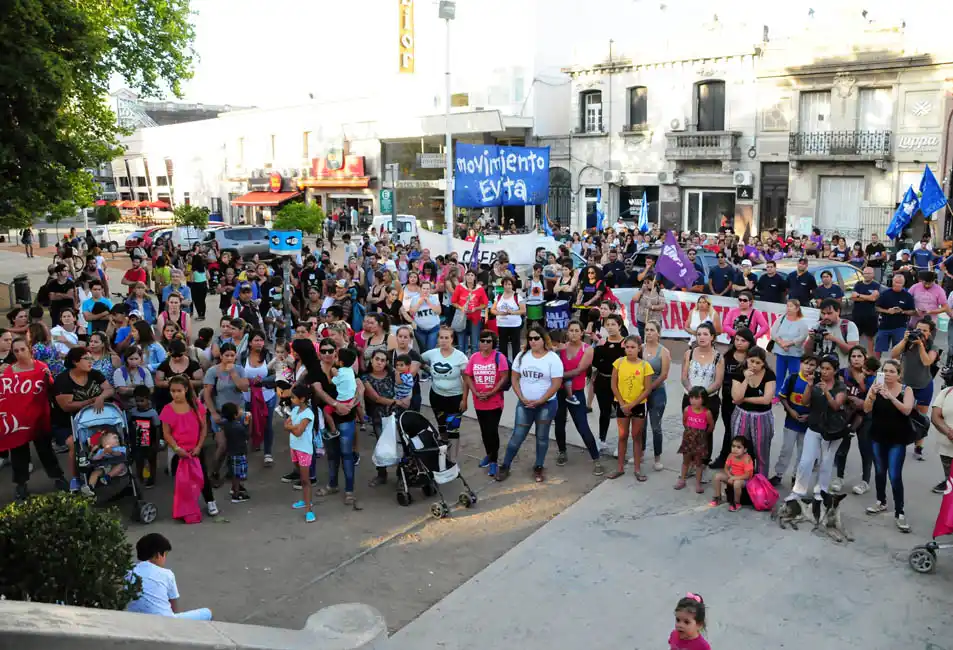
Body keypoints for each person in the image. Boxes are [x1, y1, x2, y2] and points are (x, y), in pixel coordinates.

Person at [497, 326, 563, 483]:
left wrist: (541, 400)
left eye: (536, 338)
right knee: (517, 436)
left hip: (546, 405)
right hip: (524, 404)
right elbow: (514, 378)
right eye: (530, 339)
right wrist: (521, 397)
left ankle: (539, 466)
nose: (533, 341)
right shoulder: (522, 356)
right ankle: (505, 465)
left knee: (542, 437)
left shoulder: (553, 358)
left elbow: (556, 383)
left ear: (543, 339)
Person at [3, 337, 67, 500]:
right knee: (18, 452)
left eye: (22, 349)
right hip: (18, 419)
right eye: (16, 351)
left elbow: (52, 388)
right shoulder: (10, 370)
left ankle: (58, 477)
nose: (19, 353)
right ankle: (21, 485)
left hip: (39, 415)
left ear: (29, 349)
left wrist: (49, 377)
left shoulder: (41, 367)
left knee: (45, 450)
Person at [784, 356, 848, 506]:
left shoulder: (840, 387)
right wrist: (810, 385)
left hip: (832, 431)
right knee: (806, 461)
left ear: (835, 370)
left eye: (828, 369)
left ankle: (821, 492)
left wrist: (826, 391)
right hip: (814, 427)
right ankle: (798, 491)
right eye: (822, 368)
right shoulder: (815, 383)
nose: (824, 372)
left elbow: (836, 406)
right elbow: (805, 402)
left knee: (826, 462)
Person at [52, 346, 115, 491]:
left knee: (109, 437)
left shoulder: (94, 374)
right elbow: (67, 406)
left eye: (91, 358)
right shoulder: (63, 380)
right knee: (74, 444)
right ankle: (75, 478)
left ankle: (102, 470)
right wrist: (91, 402)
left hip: (95, 418)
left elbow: (109, 389)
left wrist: (101, 397)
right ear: (75, 362)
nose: (90, 361)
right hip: (68, 422)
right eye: (86, 358)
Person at [863, 359, 915, 532]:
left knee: (894, 475)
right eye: (885, 371)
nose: (888, 374)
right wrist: (872, 394)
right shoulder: (876, 387)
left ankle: (900, 512)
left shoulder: (906, 389)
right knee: (879, 471)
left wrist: (890, 396)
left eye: (892, 371)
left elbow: (907, 410)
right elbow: (866, 409)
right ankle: (881, 501)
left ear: (899, 374)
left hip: (897, 440)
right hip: (877, 436)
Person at [553, 321, 604, 475]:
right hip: (559, 391)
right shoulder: (561, 348)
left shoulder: (587, 349)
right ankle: (562, 451)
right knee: (559, 423)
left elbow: (578, 370)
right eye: (571, 330)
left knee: (582, 426)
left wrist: (556, 376)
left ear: (582, 332)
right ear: (567, 332)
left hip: (576, 392)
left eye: (577, 330)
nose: (573, 333)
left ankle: (596, 459)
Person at [126, 533, 212, 620]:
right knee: (207, 612)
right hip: (165, 623)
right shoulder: (167, 574)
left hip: (135, 620)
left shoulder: (128, 571)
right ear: (158, 555)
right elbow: (173, 606)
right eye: (165, 555)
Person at [609, 335, 659, 481]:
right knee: (622, 436)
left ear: (639, 349)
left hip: (638, 406)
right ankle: (619, 468)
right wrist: (622, 403)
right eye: (627, 347)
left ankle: (637, 469)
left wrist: (633, 404)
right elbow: (613, 385)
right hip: (622, 405)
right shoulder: (618, 363)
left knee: (637, 437)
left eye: (633, 347)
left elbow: (647, 389)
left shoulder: (645, 366)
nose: (629, 350)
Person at [890, 316, 938, 461]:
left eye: (924, 330)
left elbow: (927, 361)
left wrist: (921, 345)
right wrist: (905, 340)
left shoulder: (933, 347)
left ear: (930, 333)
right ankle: (898, 442)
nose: (921, 332)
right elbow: (893, 354)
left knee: (920, 418)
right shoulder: (907, 342)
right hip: (905, 384)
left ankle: (918, 446)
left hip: (924, 385)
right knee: (901, 414)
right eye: (918, 329)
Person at [464, 331, 509, 478]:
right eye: (482, 340)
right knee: (484, 431)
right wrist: (475, 392)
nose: (484, 344)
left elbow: (504, 377)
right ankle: (489, 455)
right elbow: (467, 376)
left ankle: (494, 461)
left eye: (488, 341)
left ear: (493, 343)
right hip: (479, 401)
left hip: (494, 402)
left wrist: (492, 392)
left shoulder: (499, 357)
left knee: (492, 431)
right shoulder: (474, 357)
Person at [770, 354, 818, 486]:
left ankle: (796, 476)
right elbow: (783, 397)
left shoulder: (817, 382)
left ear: (816, 367)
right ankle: (779, 474)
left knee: (803, 452)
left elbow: (819, 404)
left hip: (807, 424)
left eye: (812, 364)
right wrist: (791, 411)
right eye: (806, 363)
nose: (808, 367)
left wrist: (809, 416)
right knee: (786, 449)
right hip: (791, 422)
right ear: (801, 364)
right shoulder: (793, 378)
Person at [682, 323, 724, 473]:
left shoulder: (718, 357)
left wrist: (702, 394)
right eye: (699, 334)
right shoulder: (690, 353)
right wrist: (691, 392)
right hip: (689, 398)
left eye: (705, 334)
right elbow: (684, 377)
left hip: (709, 400)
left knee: (706, 432)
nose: (701, 337)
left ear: (712, 337)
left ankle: (703, 463)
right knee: (690, 431)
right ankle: (690, 461)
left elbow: (718, 381)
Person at [729, 346, 776, 476]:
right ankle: (739, 480)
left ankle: (761, 483)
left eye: (758, 363)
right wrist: (746, 379)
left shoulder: (769, 374)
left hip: (762, 417)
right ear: (747, 359)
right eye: (751, 361)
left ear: (763, 363)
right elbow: (736, 397)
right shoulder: (739, 371)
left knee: (762, 452)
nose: (754, 365)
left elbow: (766, 399)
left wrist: (745, 399)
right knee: (739, 449)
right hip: (741, 414)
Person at [421, 327, 468, 450]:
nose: (443, 340)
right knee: (441, 426)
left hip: (455, 398)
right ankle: (444, 450)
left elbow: (466, 380)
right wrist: (428, 370)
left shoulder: (460, 357)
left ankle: (452, 460)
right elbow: (418, 359)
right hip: (436, 396)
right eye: (441, 337)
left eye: (447, 337)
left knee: (453, 430)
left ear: (452, 339)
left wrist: (464, 399)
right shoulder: (432, 353)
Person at [642, 321, 671, 471]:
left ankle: (657, 457)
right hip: (640, 391)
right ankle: (640, 452)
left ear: (658, 333)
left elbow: (664, 375)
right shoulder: (640, 348)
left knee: (655, 426)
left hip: (657, 391)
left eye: (652, 330)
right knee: (640, 424)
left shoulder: (664, 352)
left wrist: (649, 388)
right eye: (647, 330)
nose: (648, 333)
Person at [677, 387, 714, 493]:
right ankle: (682, 479)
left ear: (704, 399)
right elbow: (684, 421)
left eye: (697, 398)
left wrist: (703, 435)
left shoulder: (707, 413)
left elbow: (711, 426)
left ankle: (698, 483)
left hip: (700, 441)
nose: (693, 400)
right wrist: (690, 432)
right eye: (691, 398)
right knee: (686, 461)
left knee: (698, 463)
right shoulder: (687, 410)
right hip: (688, 439)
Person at [805, 299, 859, 368]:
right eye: (823, 313)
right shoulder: (817, 326)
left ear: (838, 311)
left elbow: (853, 351)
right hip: (820, 371)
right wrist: (811, 339)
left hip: (841, 371)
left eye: (829, 313)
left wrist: (833, 339)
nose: (826, 317)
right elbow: (808, 353)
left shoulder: (848, 325)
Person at [771, 299, 809, 390]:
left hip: (794, 354)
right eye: (787, 306)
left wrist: (789, 344)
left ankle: (792, 394)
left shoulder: (802, 322)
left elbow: (803, 336)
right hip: (780, 352)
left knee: (794, 375)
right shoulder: (781, 318)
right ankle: (777, 394)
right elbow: (773, 333)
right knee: (780, 375)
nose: (788, 308)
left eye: (791, 306)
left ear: (797, 308)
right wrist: (781, 343)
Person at [709, 436, 754, 512]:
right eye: (733, 446)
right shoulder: (731, 456)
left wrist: (734, 478)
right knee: (717, 476)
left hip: (744, 480)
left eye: (738, 447)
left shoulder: (747, 458)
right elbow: (726, 468)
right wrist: (730, 476)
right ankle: (717, 498)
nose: (735, 449)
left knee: (736, 483)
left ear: (745, 450)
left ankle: (736, 503)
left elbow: (748, 475)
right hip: (733, 476)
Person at [875, 272, 915, 357]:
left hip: (900, 327)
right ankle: (875, 368)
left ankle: (895, 368)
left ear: (903, 284)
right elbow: (876, 307)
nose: (898, 284)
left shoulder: (907, 296)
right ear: (892, 282)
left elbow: (913, 311)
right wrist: (887, 311)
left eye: (900, 283)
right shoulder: (885, 294)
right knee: (878, 350)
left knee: (898, 351)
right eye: (896, 282)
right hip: (884, 326)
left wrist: (902, 311)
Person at [219, 402, 250, 504]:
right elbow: (246, 435)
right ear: (235, 415)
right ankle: (236, 494)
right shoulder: (238, 427)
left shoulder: (226, 424)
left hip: (231, 451)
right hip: (239, 453)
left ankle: (234, 488)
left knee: (234, 473)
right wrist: (246, 424)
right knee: (238, 474)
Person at [492, 277, 525, 362]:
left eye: (509, 284)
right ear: (503, 285)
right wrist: (500, 313)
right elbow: (493, 310)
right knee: (503, 347)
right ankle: (504, 365)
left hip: (515, 325)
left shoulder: (517, 296)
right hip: (502, 324)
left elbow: (523, 310)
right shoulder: (498, 296)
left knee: (515, 346)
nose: (508, 286)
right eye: (506, 284)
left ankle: (516, 365)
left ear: (512, 285)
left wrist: (512, 312)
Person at [112, 346, 154, 411]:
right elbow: (121, 390)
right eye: (131, 359)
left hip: (144, 406)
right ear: (126, 359)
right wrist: (140, 390)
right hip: (126, 406)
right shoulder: (119, 372)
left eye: (136, 359)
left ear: (141, 359)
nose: (134, 362)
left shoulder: (145, 371)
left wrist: (132, 388)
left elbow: (151, 389)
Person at [930, 378, 953, 493]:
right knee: (950, 476)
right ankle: (947, 481)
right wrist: (949, 432)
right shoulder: (946, 392)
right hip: (946, 447)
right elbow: (935, 416)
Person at [852, 267, 881, 356]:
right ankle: (857, 355)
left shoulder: (876, 285)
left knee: (870, 337)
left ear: (873, 275)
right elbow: (853, 297)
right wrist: (867, 297)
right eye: (865, 273)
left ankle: (870, 357)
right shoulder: (858, 284)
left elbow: (873, 298)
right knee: (857, 337)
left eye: (869, 273)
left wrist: (859, 296)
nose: (867, 275)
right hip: (857, 314)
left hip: (870, 315)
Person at [632, 273, 664, 341]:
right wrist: (641, 290)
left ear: (654, 282)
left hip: (654, 321)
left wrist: (652, 307)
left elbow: (662, 306)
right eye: (645, 282)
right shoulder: (642, 291)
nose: (646, 284)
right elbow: (635, 299)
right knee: (644, 339)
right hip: (642, 320)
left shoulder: (659, 292)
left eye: (648, 282)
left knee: (654, 340)